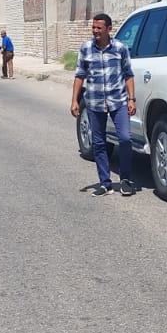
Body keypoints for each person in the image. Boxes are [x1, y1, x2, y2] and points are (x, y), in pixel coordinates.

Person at [70, 12, 137, 196]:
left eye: (99, 28)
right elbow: (80, 75)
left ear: (109, 29)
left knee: (125, 138)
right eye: (93, 27)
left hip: (118, 100)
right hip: (95, 101)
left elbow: (128, 75)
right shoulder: (86, 49)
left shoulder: (120, 48)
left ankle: (125, 179)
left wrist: (131, 99)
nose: (95, 31)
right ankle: (105, 183)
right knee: (98, 143)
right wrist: (74, 100)